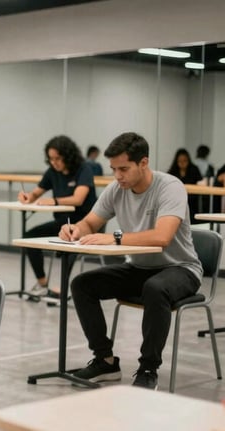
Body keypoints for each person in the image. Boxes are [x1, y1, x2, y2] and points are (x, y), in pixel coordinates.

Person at [61, 132, 202, 390]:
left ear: (144, 163)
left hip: (180, 269)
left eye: (124, 169)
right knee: (82, 284)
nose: (117, 176)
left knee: (156, 288)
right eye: (114, 169)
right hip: (140, 268)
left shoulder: (170, 187)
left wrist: (114, 237)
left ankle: (148, 368)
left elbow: (162, 237)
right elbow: (91, 222)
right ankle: (105, 360)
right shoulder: (117, 189)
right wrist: (76, 230)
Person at [18, 135, 97, 301]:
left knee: (70, 241)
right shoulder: (52, 171)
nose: (54, 162)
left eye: (58, 158)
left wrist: (53, 201)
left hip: (84, 223)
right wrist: (27, 197)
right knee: (29, 237)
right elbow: (37, 192)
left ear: (67, 156)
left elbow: (78, 199)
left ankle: (61, 288)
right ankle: (42, 284)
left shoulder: (84, 169)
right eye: (51, 159)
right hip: (62, 221)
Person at [167, 148, 202, 219]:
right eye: (180, 161)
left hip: (191, 200)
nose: (182, 163)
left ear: (188, 160)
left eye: (185, 161)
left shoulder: (194, 169)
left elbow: (200, 183)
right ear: (176, 161)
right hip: (176, 200)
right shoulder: (173, 171)